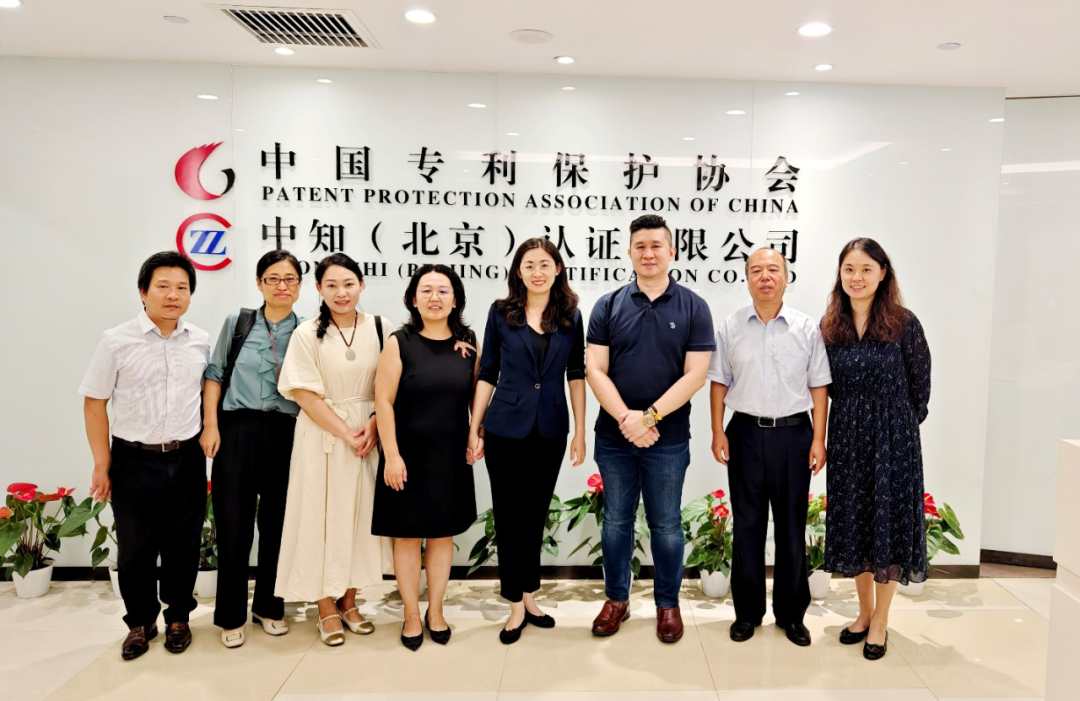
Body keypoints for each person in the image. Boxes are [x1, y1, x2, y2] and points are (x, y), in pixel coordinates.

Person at [585, 214, 715, 644]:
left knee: (666, 524)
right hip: (615, 437)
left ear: (672, 251)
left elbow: (696, 375)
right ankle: (616, 600)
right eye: (640, 246)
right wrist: (628, 419)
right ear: (629, 252)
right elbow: (595, 369)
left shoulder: (694, 306)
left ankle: (667, 604)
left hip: (667, 440)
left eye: (657, 245)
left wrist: (649, 418)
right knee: (616, 521)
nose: (648, 253)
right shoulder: (608, 305)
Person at [80, 251, 210, 661]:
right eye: (163, 286)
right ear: (143, 291)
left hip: (186, 457)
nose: (173, 295)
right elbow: (94, 403)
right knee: (135, 546)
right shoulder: (116, 340)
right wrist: (102, 463)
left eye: (182, 287)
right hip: (133, 459)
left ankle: (178, 617)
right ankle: (139, 622)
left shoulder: (200, 340)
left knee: (183, 544)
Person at [708, 248, 831, 647]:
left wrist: (818, 438)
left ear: (785, 278)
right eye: (756, 270)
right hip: (744, 433)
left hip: (794, 435)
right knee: (747, 526)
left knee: (792, 527)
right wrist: (717, 431)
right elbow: (719, 381)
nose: (765, 276)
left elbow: (818, 386)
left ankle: (791, 615)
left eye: (773, 269)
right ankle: (747, 614)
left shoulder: (806, 327)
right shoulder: (730, 326)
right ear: (747, 278)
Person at [468, 238, 587, 644]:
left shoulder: (570, 315)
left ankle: (530, 595)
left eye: (545, 264)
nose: (537, 271)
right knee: (509, 515)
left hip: (551, 428)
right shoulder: (502, 312)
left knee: (535, 515)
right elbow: (488, 371)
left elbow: (576, 373)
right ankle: (515, 603)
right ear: (518, 271)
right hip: (504, 428)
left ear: (557, 269)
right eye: (529, 264)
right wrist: (475, 427)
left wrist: (580, 429)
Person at [819, 238, 931, 661]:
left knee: (887, 526)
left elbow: (921, 387)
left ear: (883, 273)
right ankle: (864, 612)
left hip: (893, 441)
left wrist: (895, 428)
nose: (857, 277)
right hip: (847, 438)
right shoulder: (831, 327)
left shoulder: (904, 323)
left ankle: (881, 619)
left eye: (866, 269)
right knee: (856, 524)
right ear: (840, 274)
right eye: (849, 269)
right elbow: (822, 386)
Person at [273, 253, 392, 646]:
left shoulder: (381, 327)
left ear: (362, 285)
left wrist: (372, 423)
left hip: (369, 435)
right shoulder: (307, 333)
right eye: (331, 285)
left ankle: (350, 602)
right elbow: (303, 394)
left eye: (349, 284)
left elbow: (391, 386)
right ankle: (325, 606)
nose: (341, 292)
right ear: (319, 289)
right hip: (323, 437)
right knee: (320, 518)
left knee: (358, 519)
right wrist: (346, 432)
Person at [372, 264, 479, 651]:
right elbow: (383, 401)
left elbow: (476, 395)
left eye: (443, 290)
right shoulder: (399, 342)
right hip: (406, 455)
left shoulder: (468, 343)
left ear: (456, 299)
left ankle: (436, 610)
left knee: (441, 535)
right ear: (413, 299)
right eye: (426, 290)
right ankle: (411, 615)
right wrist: (391, 455)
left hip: (449, 455)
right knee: (406, 537)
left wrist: (475, 434)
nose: (435, 297)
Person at [201, 250, 304, 648]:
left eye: (290, 278)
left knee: (279, 525)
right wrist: (211, 425)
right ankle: (231, 615)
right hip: (236, 429)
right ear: (259, 283)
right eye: (273, 278)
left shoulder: (308, 331)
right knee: (233, 524)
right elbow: (214, 374)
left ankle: (269, 607)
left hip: (286, 432)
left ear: (300, 286)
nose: (282, 286)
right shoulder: (238, 322)